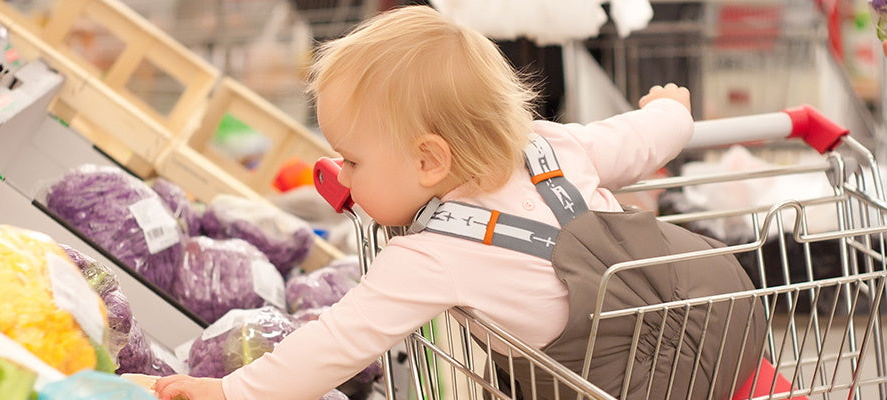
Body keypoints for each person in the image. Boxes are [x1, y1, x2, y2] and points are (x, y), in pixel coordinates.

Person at [155, 6, 762, 400]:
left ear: (429, 161)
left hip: (622, 387)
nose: (341, 173)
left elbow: (335, 344)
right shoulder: (548, 144)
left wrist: (226, 393)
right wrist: (670, 113)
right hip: (730, 312)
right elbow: (638, 141)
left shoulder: (432, 255)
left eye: (353, 161)